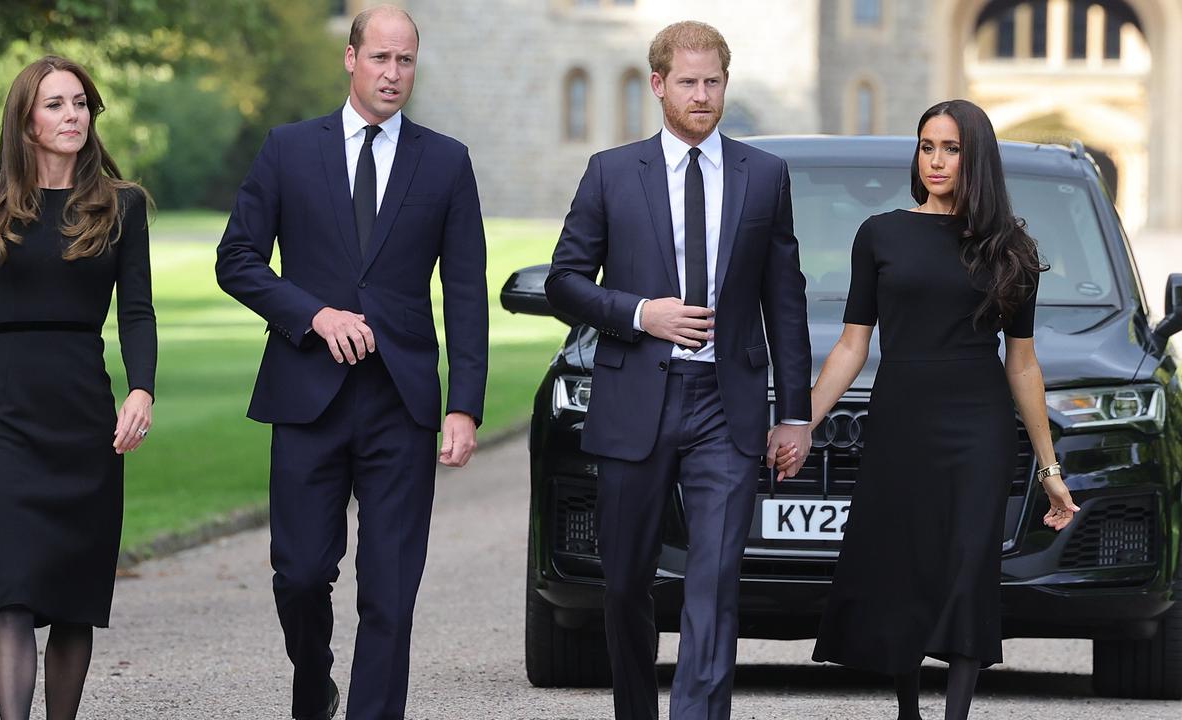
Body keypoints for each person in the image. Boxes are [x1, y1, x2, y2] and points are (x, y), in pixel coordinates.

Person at [214, 6, 487, 720]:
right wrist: (313, 315)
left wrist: (465, 403)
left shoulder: (446, 160)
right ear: (351, 58)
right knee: (301, 576)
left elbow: (464, 291)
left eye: (405, 62)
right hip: (307, 397)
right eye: (380, 59)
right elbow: (236, 259)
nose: (393, 74)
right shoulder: (287, 149)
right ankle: (314, 679)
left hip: (401, 403)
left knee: (390, 589)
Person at [546, 21, 812, 720]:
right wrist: (640, 314)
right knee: (626, 581)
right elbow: (565, 283)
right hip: (637, 398)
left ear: (727, 82)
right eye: (688, 82)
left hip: (727, 405)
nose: (702, 95)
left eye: (713, 82)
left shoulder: (764, 176)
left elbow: (785, 300)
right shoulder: (611, 172)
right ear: (659, 84)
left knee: (715, 577)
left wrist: (794, 413)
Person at [788, 99, 1079, 720]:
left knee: (970, 563)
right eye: (927, 147)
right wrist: (800, 423)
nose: (937, 161)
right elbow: (851, 344)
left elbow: (1022, 363)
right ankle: (908, 711)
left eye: (951, 149)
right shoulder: (881, 234)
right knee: (905, 562)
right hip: (901, 419)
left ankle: (955, 714)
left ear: (977, 160)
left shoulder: (1011, 250)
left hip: (979, 425)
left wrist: (1051, 472)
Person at [0, 55, 156, 720]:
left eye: (81, 103)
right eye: (56, 105)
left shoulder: (122, 206)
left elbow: (137, 312)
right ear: (26, 122)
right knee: (16, 596)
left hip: (84, 420)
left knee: (73, 599)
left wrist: (141, 390)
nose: (73, 117)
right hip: (9, 418)